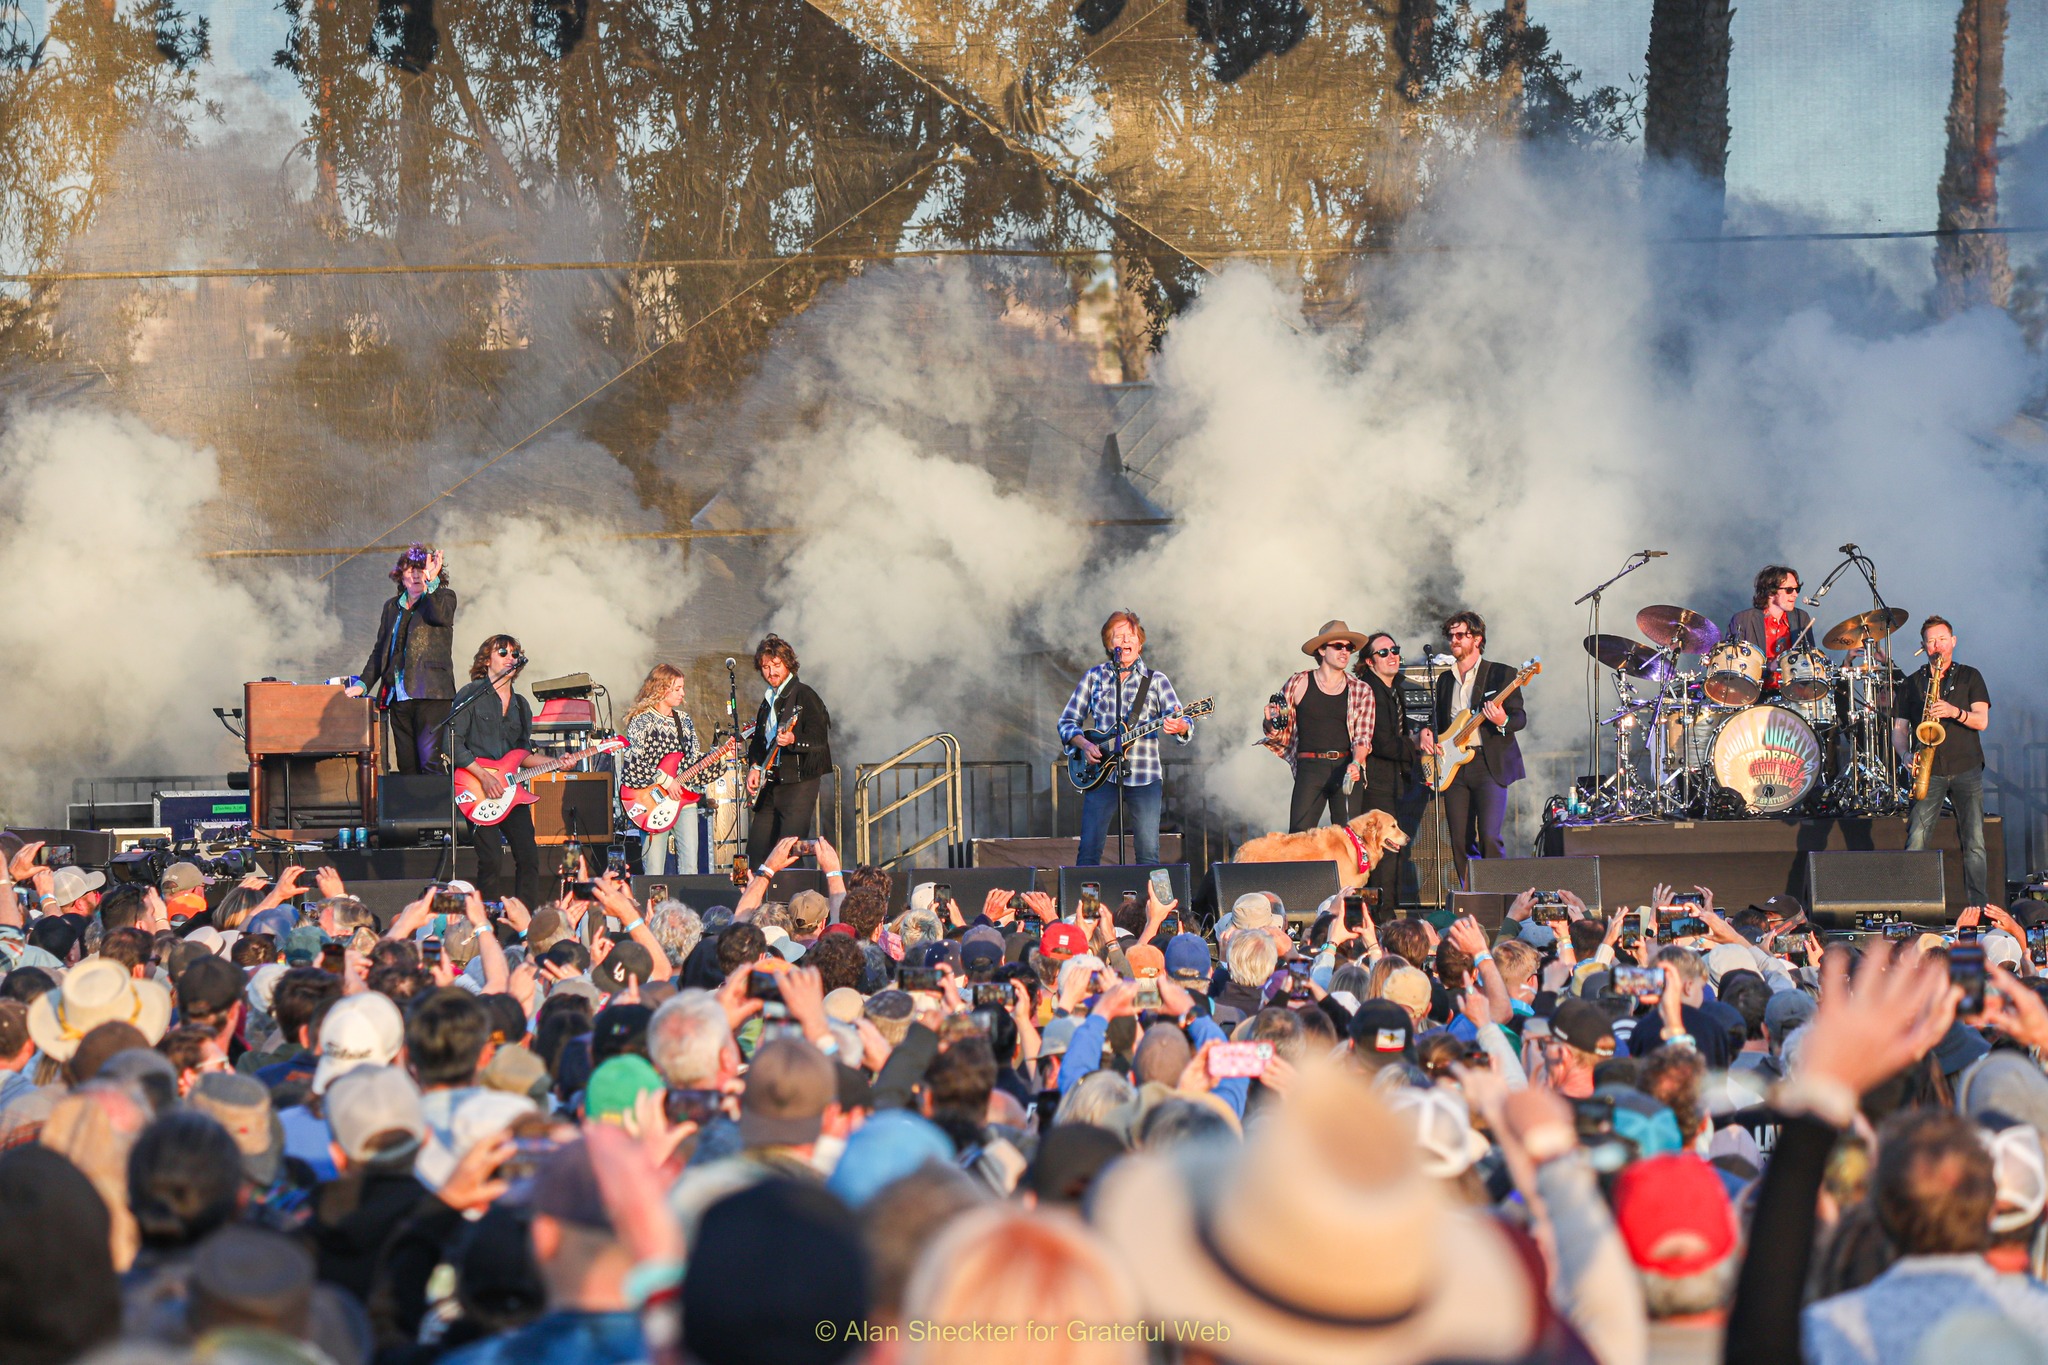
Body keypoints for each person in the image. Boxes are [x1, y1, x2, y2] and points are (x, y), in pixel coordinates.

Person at [1058, 610, 1194, 866]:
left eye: (1131, 635)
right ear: (1110, 645)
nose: (1126, 640)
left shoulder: (1155, 681)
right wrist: (1085, 744)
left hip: (1144, 775)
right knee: (1088, 851)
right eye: (1119, 636)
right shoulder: (1094, 677)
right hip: (1100, 776)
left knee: (1147, 853)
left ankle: (1147, 907)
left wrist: (1181, 727)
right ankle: (1088, 907)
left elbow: (1184, 720)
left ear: (1140, 643)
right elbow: (1066, 722)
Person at [1420, 611, 1526, 886]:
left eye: (1460, 635)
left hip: (1488, 765)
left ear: (1477, 639)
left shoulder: (1502, 673)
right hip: (1454, 768)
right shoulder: (1445, 679)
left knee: (1490, 835)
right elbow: (1439, 721)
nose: (1453, 641)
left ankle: (1497, 894)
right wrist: (1428, 734)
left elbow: (1519, 717)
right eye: (1450, 636)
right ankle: (1471, 895)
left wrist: (1502, 721)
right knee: (1459, 838)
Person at [1892, 615, 1990, 907]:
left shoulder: (1970, 676)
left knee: (1974, 844)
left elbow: (1982, 721)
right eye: (1931, 641)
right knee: (1917, 840)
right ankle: (1916, 908)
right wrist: (1905, 755)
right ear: (1924, 646)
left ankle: (1979, 908)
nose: (1938, 645)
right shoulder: (1911, 683)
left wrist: (1953, 712)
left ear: (1953, 641)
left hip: (1966, 766)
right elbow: (1899, 729)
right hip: (1929, 769)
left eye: (1942, 639)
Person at [448, 634, 545, 910]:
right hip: (476, 787)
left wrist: (558, 761)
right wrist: (484, 776)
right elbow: (451, 741)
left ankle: (524, 921)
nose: (509, 657)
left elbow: (522, 755)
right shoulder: (471, 694)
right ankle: (486, 924)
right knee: (491, 859)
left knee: (528, 856)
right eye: (502, 651)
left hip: (511, 792)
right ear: (486, 659)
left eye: (514, 653)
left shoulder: (521, 705)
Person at [348, 543, 458, 774]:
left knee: (429, 760)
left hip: (432, 694)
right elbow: (380, 651)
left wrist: (431, 582)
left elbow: (440, 616)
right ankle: (414, 810)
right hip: (398, 694)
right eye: (411, 569)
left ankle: (437, 810)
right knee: (406, 764)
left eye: (422, 569)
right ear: (401, 575)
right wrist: (362, 684)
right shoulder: (391, 607)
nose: (417, 574)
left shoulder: (443, 597)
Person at [1265, 619, 1375, 833]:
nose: (1345, 652)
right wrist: (1270, 721)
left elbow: (1363, 736)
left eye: (1349, 648)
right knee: (1299, 838)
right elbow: (1278, 728)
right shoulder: (1299, 682)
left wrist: (1356, 763)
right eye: (1338, 646)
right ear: (1322, 650)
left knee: (1350, 839)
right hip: (1310, 768)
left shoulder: (1361, 690)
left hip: (1345, 766)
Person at [743, 635, 832, 871]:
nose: (771, 672)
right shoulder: (768, 700)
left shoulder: (804, 695)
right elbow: (759, 742)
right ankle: (750, 903)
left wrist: (793, 739)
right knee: (755, 852)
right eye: (765, 667)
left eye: (776, 665)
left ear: (788, 664)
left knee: (789, 850)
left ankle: (793, 904)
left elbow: (819, 740)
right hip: (771, 784)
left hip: (799, 782)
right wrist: (754, 766)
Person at [1354, 629, 1421, 908]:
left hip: (1393, 781)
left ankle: (1386, 914)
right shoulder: (1370, 690)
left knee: (1391, 852)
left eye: (1394, 650)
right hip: (1376, 784)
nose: (1392, 656)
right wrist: (1415, 744)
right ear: (1370, 661)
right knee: (1380, 853)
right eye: (1383, 652)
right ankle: (1381, 918)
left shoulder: (1392, 689)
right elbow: (1380, 742)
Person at [620, 664, 705, 877]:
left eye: (682, 688)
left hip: (684, 801)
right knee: (654, 871)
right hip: (652, 802)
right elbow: (634, 764)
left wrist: (720, 757)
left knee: (690, 868)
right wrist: (667, 782)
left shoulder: (683, 720)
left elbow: (693, 761)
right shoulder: (641, 720)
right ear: (661, 688)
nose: (682, 693)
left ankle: (688, 909)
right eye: (677, 688)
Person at [1725, 564, 1816, 688]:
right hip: (1755, 696)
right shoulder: (1743, 620)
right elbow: (1733, 665)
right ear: (1771, 593)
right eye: (1789, 589)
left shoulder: (1801, 618)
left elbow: (1810, 660)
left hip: (1792, 696)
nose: (1795, 594)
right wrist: (1768, 667)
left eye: (1797, 589)